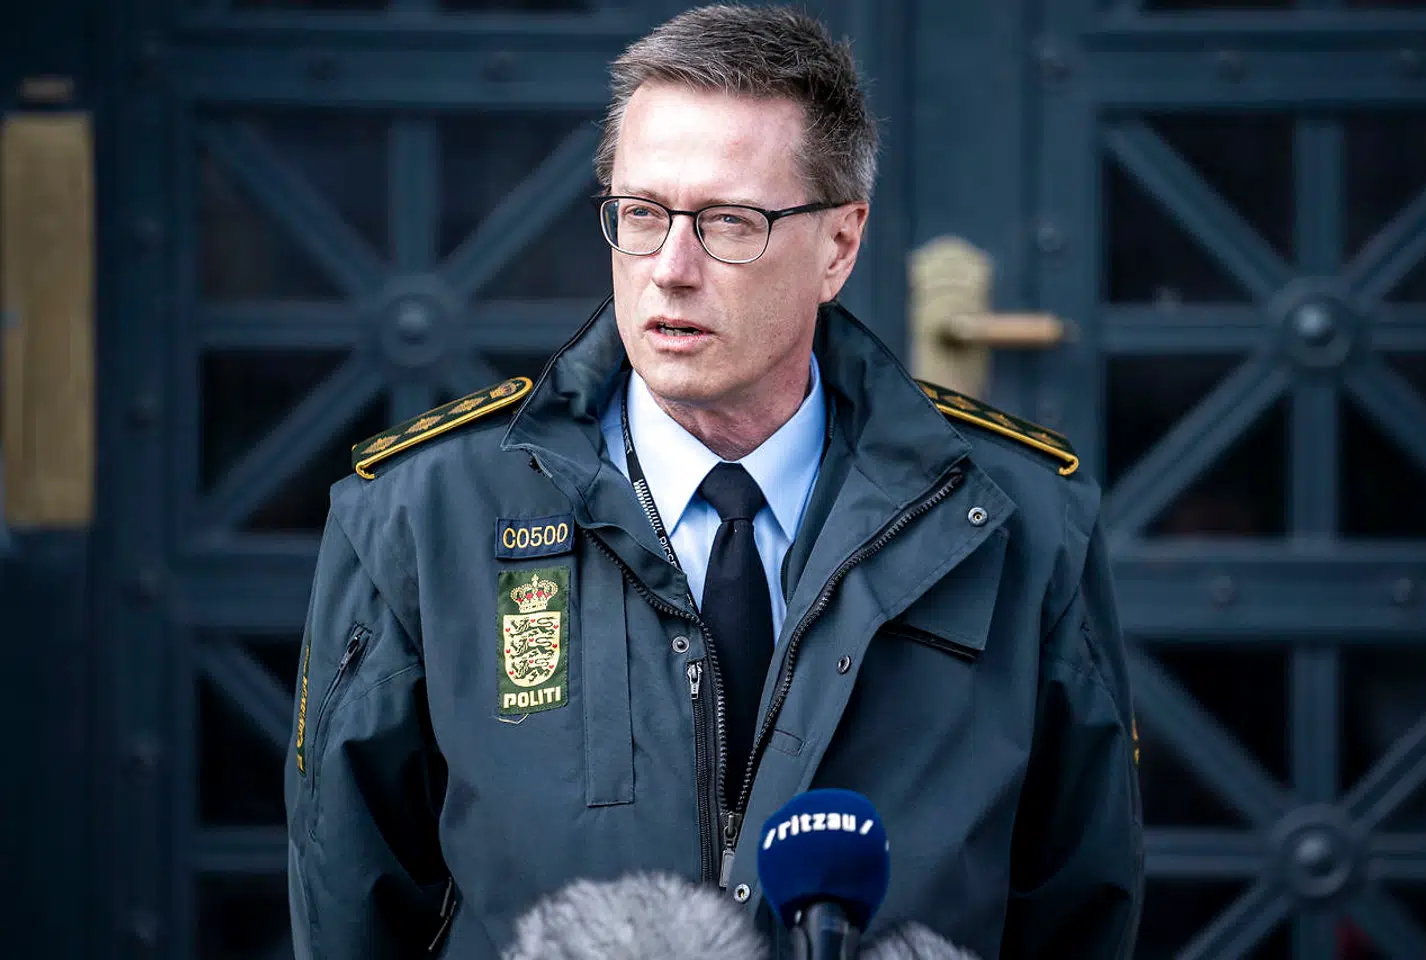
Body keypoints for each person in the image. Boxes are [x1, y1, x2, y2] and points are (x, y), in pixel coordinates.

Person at [284, 5, 1144, 958]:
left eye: (730, 221)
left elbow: (1080, 908)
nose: (671, 269)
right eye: (641, 215)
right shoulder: (421, 514)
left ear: (839, 246)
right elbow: (351, 906)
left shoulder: (1021, 521)